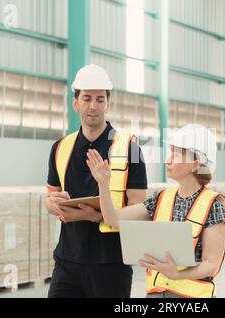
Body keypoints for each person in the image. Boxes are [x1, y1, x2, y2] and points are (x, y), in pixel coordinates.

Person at [86, 124, 225, 298]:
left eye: (176, 154)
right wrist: (103, 183)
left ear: (195, 164)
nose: (168, 160)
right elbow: (113, 219)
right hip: (156, 294)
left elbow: (211, 264)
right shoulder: (161, 198)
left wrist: (178, 274)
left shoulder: (214, 204)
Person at [45, 64, 148, 298]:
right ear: (75, 103)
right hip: (67, 263)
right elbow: (49, 197)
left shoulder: (129, 147)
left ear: (108, 104)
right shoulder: (60, 148)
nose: (93, 106)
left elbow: (139, 210)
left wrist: (99, 215)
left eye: (100, 99)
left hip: (111, 264)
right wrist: (51, 204)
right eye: (87, 98)